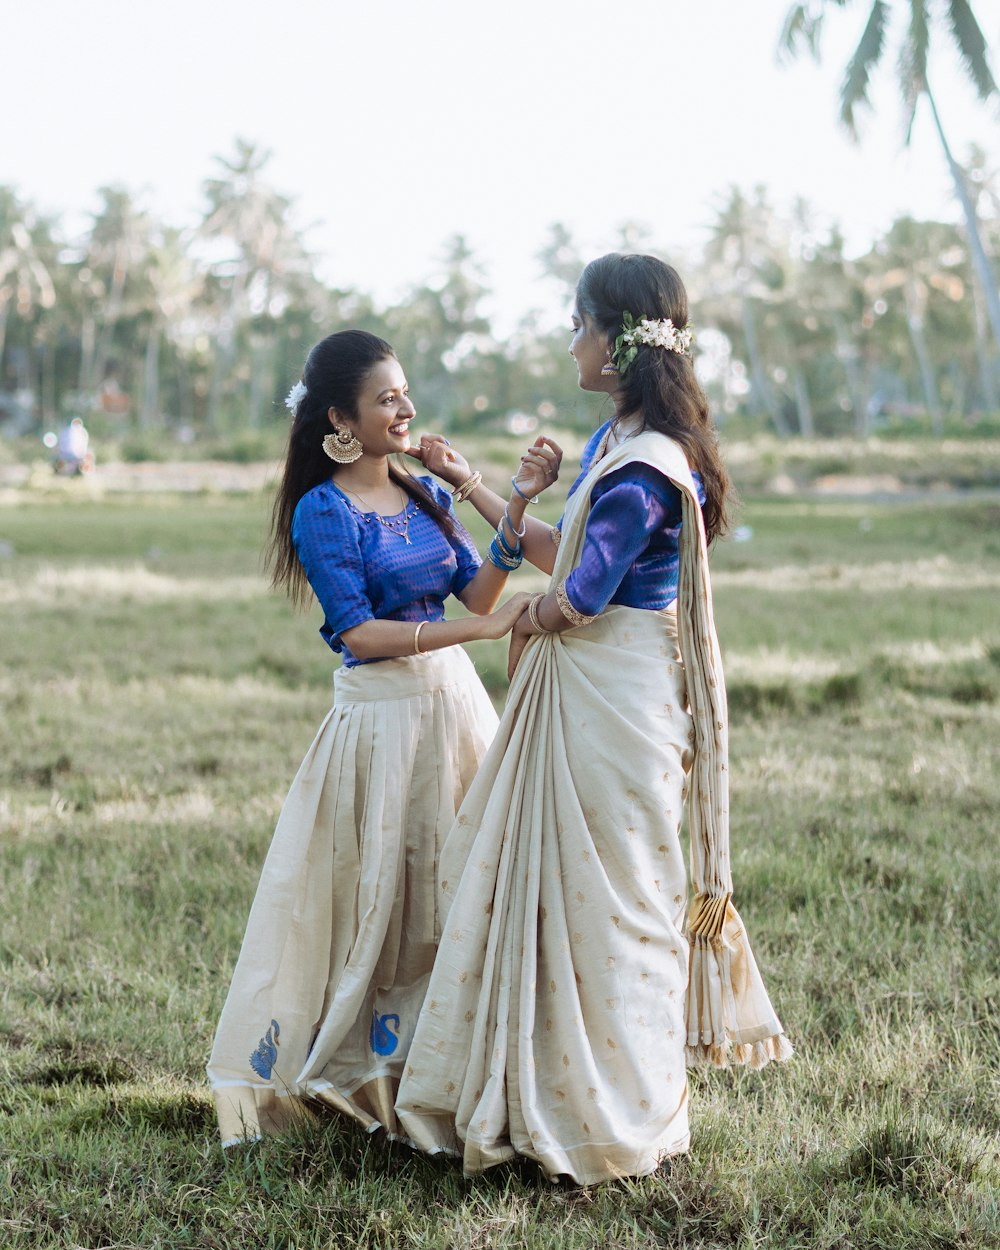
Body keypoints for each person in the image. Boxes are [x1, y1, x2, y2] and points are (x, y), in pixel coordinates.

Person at [395, 255, 792, 1186]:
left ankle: (606, 1118)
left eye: (577, 325)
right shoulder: (626, 441)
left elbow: (576, 596)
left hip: (617, 704)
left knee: (610, 904)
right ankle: (556, 1099)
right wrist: (480, 484)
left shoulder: (643, 468)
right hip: (602, 693)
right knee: (568, 899)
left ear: (614, 345)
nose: (568, 341)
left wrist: (504, 620)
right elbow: (560, 555)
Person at [207, 329, 560, 1146]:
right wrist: (479, 636)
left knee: (461, 887)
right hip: (382, 722)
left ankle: (454, 1071)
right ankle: (368, 1078)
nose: (403, 408)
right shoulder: (322, 510)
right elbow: (359, 634)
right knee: (375, 905)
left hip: (456, 713)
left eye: (404, 393)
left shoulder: (422, 491)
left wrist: (516, 500)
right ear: (340, 417)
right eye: (384, 399)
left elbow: (478, 592)